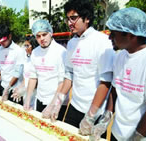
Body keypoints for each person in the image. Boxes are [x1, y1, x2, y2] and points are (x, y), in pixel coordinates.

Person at [46, 0, 115, 132]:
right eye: (67, 19)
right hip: (75, 106)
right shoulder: (72, 43)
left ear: (87, 18)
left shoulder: (102, 42)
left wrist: (90, 116)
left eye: (73, 18)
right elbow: (69, 75)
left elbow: (105, 82)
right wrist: (57, 102)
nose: (69, 23)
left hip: (95, 110)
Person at [105, 7, 146, 141]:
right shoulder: (120, 56)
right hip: (117, 133)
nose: (109, 37)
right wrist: (107, 115)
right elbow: (115, 90)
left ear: (131, 35)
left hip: (140, 135)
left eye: (113, 33)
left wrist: (137, 137)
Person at [23, 19, 68, 121]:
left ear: (50, 33)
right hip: (40, 99)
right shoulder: (35, 52)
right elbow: (33, 78)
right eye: (38, 36)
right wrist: (27, 99)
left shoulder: (61, 52)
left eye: (44, 34)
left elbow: (63, 82)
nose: (42, 39)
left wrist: (52, 105)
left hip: (56, 102)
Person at [0, 23, 24, 104]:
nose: (2, 44)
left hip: (15, 89)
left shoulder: (18, 51)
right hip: (3, 85)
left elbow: (17, 72)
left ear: (10, 36)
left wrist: (8, 88)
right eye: (0, 42)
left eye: (3, 41)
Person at [11, 36, 39, 107]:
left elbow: (37, 81)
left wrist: (23, 90)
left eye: (27, 46)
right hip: (26, 95)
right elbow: (25, 77)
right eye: (25, 46)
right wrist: (19, 87)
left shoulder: (38, 60)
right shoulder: (27, 59)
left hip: (35, 95)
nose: (25, 48)